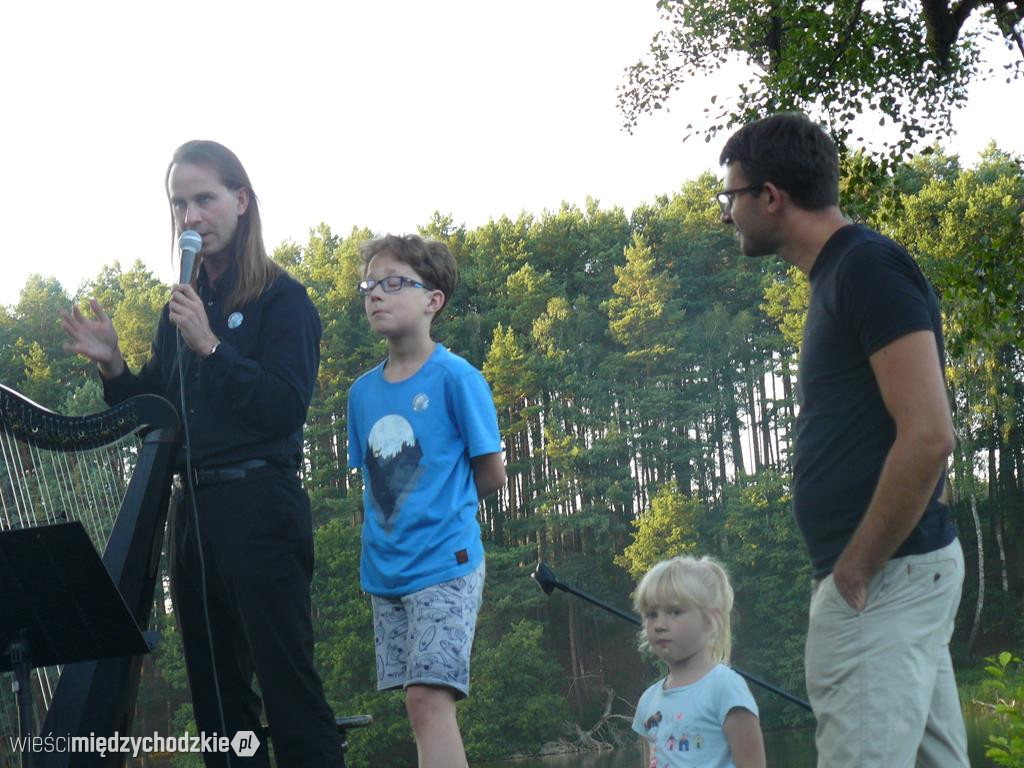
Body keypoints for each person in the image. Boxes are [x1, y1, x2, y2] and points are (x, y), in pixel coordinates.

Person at [60, 140, 342, 767]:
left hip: (261, 507)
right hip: (192, 516)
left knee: (290, 693)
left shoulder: (283, 300)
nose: (191, 215)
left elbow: (282, 407)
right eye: (179, 203)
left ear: (241, 200)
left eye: (205, 198)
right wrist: (113, 365)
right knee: (218, 707)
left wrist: (212, 345)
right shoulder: (178, 311)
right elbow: (158, 416)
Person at [718, 112, 968, 767]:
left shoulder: (866, 268)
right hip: (894, 579)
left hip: (883, 581)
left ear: (770, 197)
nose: (726, 216)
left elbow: (930, 434)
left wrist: (856, 570)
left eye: (731, 196)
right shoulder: (841, 274)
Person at [346, 234, 505, 768]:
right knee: (417, 709)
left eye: (394, 283)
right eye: (370, 284)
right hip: (386, 571)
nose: (376, 294)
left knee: (428, 699)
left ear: (432, 300)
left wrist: (443, 515)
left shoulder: (457, 378)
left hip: (446, 563)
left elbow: (492, 474)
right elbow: (375, 483)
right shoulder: (360, 394)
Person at [631, 555, 765, 768]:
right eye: (651, 614)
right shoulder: (648, 702)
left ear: (710, 621)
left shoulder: (725, 687)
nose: (659, 625)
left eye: (674, 611)